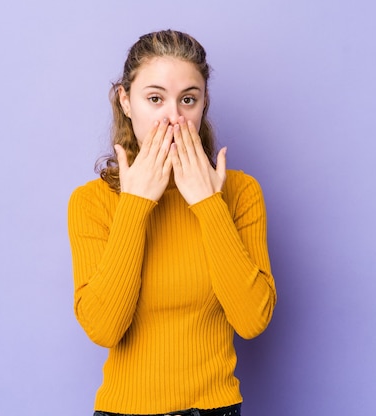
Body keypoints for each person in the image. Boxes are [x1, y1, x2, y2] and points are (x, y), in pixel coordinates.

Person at [67, 29, 276, 416]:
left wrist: (208, 204)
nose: (174, 118)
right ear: (125, 101)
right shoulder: (92, 202)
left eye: (188, 100)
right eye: (155, 98)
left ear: (203, 104)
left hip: (217, 409)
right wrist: (135, 205)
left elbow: (252, 320)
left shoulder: (240, 192)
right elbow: (103, 328)